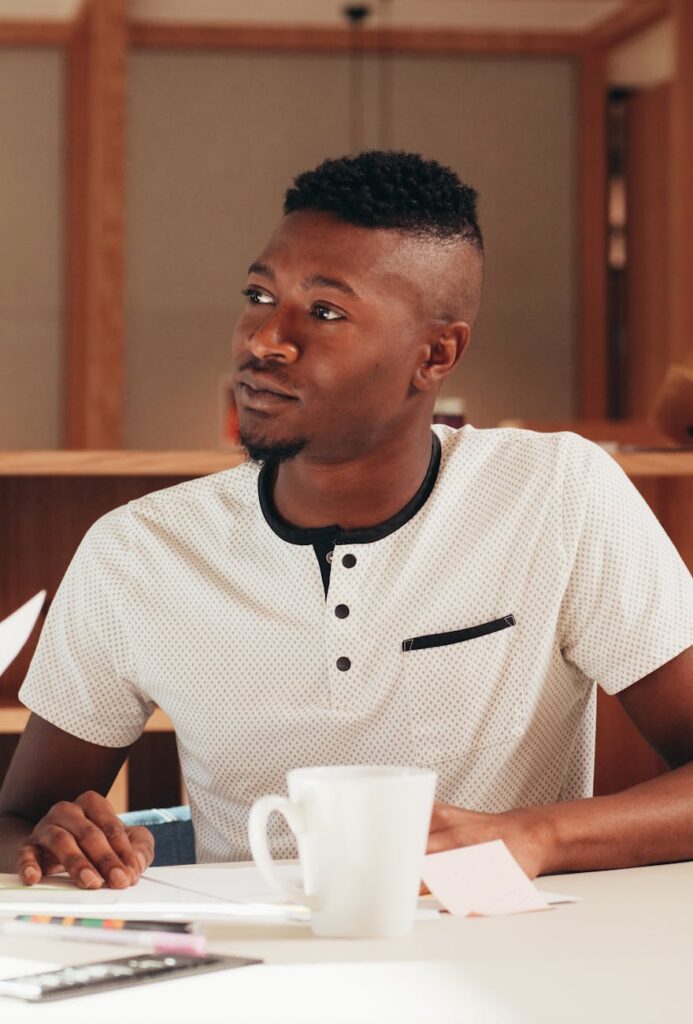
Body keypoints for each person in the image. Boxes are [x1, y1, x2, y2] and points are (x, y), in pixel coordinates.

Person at [1, 151, 691, 891]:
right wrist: (51, 844)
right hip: (252, 970)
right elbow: (19, 820)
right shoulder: (136, 551)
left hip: (505, 960)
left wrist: (529, 838)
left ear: (435, 354)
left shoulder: (556, 491)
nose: (264, 340)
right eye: (260, 294)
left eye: (325, 312)